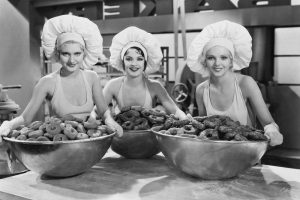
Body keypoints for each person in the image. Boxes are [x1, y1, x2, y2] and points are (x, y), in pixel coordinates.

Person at [0, 14, 123, 141]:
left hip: (87, 143)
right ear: (57, 54)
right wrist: (8, 124)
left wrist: (109, 120)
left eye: (77, 53)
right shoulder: (47, 83)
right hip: (60, 145)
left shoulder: (92, 78)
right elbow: (26, 118)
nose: (72, 60)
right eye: (66, 54)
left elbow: (103, 111)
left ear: (84, 54)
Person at [187, 20, 283, 146]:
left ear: (232, 61)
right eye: (211, 58)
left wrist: (272, 131)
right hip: (214, 157)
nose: (217, 63)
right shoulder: (201, 90)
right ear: (204, 61)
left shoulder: (246, 84)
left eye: (223, 57)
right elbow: (204, 128)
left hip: (246, 157)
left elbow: (268, 123)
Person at [91, 26, 187, 120]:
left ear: (145, 62)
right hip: (121, 134)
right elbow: (96, 111)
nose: (134, 64)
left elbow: (175, 111)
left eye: (139, 59)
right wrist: (92, 119)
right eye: (128, 59)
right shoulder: (113, 86)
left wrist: (185, 118)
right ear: (122, 61)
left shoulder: (155, 87)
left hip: (148, 134)